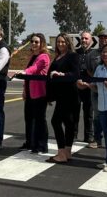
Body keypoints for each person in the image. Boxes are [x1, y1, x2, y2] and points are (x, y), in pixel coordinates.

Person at [46, 33, 80, 163]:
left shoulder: (72, 56)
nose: (60, 44)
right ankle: (67, 152)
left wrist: (62, 74)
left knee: (56, 121)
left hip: (69, 95)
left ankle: (61, 153)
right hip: (61, 95)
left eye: (63, 42)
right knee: (68, 123)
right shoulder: (57, 57)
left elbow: (75, 74)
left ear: (68, 43)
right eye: (58, 42)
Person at [15, 33, 50, 154]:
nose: (34, 44)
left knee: (40, 119)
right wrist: (24, 90)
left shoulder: (44, 57)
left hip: (40, 93)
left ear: (42, 44)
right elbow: (28, 76)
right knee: (29, 118)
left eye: (37, 42)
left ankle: (42, 145)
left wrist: (24, 71)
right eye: (32, 42)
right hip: (30, 92)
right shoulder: (32, 56)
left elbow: (34, 69)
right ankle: (30, 142)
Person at [75, 31, 97, 145]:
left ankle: (89, 136)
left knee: (89, 113)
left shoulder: (95, 54)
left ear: (91, 40)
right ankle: (73, 135)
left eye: (86, 39)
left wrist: (88, 83)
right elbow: (73, 68)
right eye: (82, 38)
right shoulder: (75, 53)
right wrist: (77, 80)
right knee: (74, 112)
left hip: (89, 87)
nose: (84, 40)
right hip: (77, 86)